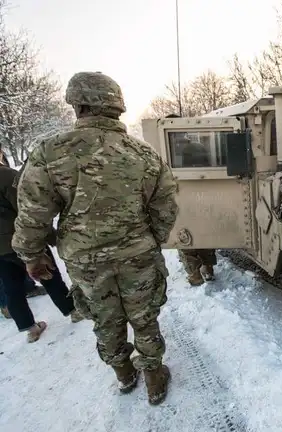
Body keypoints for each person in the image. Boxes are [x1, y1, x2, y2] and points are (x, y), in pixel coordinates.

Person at [12, 71, 179, 405]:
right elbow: (166, 207)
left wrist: (31, 255)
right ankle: (154, 377)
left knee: (105, 318)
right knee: (144, 317)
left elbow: (33, 212)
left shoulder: (50, 152)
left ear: (78, 105)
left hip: (85, 261)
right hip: (139, 255)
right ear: (117, 107)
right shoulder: (144, 154)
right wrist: (150, 239)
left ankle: (123, 374)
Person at [0, 161, 83, 341]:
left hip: (1, 251)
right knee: (49, 275)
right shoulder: (6, 176)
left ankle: (30, 328)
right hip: (22, 239)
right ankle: (73, 310)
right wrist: (51, 236)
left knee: (11, 288)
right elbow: (28, 211)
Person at [164, 122, 218, 286]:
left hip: (180, 195)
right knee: (205, 232)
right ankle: (208, 268)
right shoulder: (199, 147)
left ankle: (195, 275)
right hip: (203, 193)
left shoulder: (168, 148)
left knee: (184, 238)